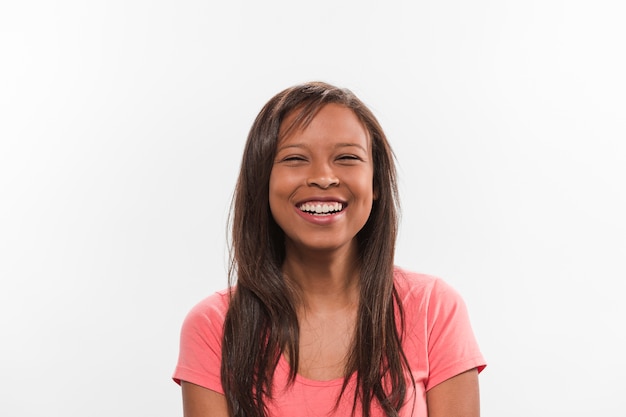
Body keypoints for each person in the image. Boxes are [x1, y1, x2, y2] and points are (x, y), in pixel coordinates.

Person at [173, 81, 486, 417]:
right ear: (262, 180)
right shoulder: (214, 326)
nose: (323, 177)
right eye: (295, 158)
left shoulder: (434, 309)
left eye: (347, 157)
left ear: (376, 182)